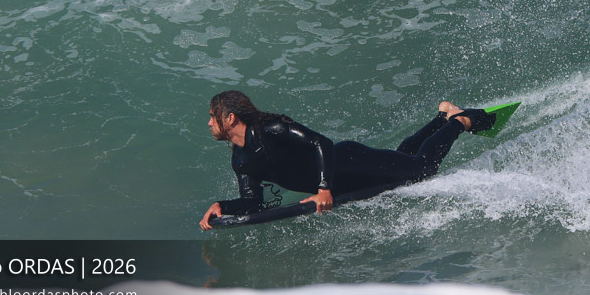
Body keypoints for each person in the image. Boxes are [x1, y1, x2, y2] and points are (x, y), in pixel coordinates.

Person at [199, 90, 497, 230]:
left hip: (350, 161)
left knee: (422, 169)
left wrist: (324, 187)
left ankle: (461, 121)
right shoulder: (241, 161)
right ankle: (441, 117)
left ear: (230, 118)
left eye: (213, 118)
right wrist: (223, 206)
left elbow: (320, 143)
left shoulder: (271, 130)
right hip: (344, 184)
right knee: (403, 159)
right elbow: (254, 202)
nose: (209, 124)